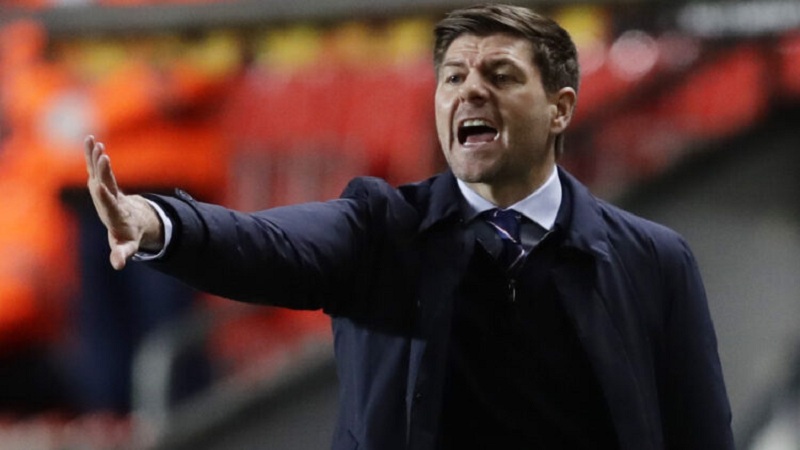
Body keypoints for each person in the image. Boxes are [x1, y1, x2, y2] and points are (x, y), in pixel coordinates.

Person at [83, 4, 734, 449]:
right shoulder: (383, 230)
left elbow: (699, 431)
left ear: (560, 109)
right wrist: (157, 223)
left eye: (500, 76)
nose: (470, 92)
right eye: (453, 77)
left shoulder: (653, 259)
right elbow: (271, 243)